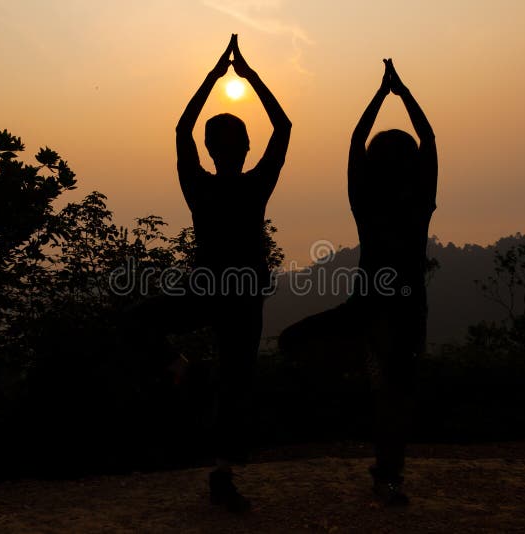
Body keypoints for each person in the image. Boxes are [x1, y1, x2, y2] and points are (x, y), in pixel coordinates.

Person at [279, 58, 436, 505]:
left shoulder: (367, 202)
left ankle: (382, 461)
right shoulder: (419, 204)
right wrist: (401, 93)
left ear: (373, 166)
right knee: (396, 396)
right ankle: (388, 474)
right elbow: (428, 139)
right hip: (403, 310)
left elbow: (355, 141)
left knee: (294, 343)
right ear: (410, 166)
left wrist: (380, 95)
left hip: (369, 309)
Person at [171, 33, 291, 512]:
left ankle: (183, 371)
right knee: (236, 379)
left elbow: (182, 130)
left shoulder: (198, 184)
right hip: (240, 294)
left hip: (211, 288)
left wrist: (214, 77)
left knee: (141, 321)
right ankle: (221, 470)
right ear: (244, 146)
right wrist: (249, 76)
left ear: (211, 148)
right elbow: (282, 126)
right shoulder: (255, 184)